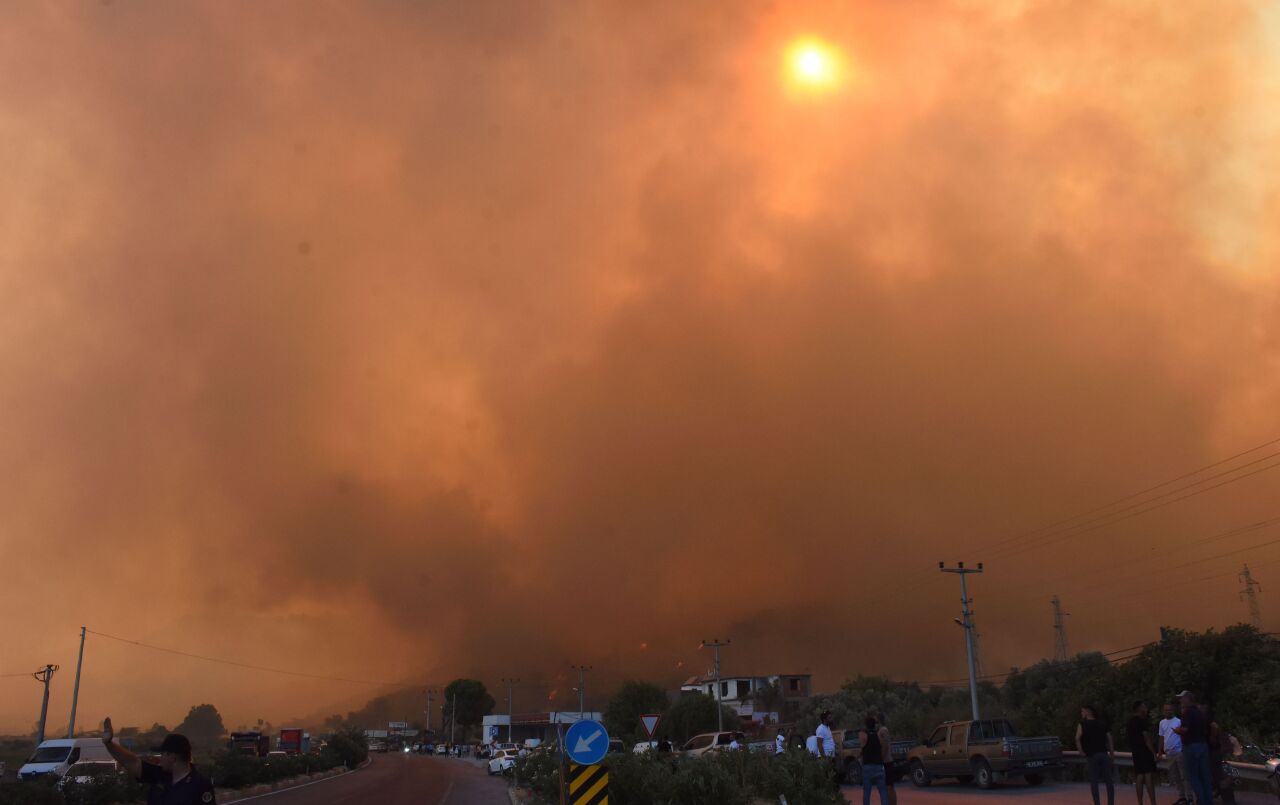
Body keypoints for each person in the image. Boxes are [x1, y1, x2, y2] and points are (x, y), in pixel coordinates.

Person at [100, 717, 216, 805]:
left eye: (162, 754)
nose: (160, 758)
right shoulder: (159, 775)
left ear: (173, 757)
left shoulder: (200, 785)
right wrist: (109, 743)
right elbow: (132, 762)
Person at [1173, 691, 1213, 805]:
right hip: (1203, 745)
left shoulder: (1187, 713)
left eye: (1181, 699)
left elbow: (1184, 729)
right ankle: (1208, 801)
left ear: (1187, 700)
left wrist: (1177, 731)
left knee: (1194, 776)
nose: (1180, 701)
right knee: (1205, 776)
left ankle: (1202, 801)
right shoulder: (1200, 712)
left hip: (1191, 747)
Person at [1077, 704, 1115, 805]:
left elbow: (1077, 737)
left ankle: (1097, 803)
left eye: (1082, 711)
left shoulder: (1083, 724)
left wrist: (1081, 751)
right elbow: (1110, 738)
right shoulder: (1102, 723)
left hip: (1092, 755)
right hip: (1103, 753)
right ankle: (1111, 803)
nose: (1081, 713)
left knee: (1094, 781)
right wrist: (1111, 753)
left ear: (1087, 711)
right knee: (1108, 780)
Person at [1127, 701, 1159, 805]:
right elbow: (1146, 738)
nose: (1146, 709)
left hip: (1135, 751)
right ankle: (1153, 802)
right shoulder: (1142, 721)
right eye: (1144, 707)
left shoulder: (1130, 722)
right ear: (1139, 709)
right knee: (1148, 775)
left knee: (1139, 775)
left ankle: (1140, 802)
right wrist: (1153, 753)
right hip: (1144, 751)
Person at [1159, 701, 1190, 805]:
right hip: (1169, 753)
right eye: (1166, 710)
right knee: (1176, 777)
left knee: (1184, 776)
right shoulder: (1162, 723)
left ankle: (1189, 797)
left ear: (1173, 710)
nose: (1168, 711)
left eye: (1170, 709)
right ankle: (1182, 797)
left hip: (1179, 752)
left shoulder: (1178, 721)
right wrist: (1160, 751)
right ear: (1163, 711)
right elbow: (1161, 737)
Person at [1204, 706, 1235, 805]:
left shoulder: (1207, 718)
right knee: (1218, 775)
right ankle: (1227, 798)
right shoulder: (1208, 717)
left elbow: (1215, 727)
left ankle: (1228, 799)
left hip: (1213, 751)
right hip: (1214, 751)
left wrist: (1212, 737)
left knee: (1218, 775)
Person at [859, 714, 892, 805]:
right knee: (883, 791)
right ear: (875, 724)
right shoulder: (879, 734)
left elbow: (861, 748)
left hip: (868, 766)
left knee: (867, 792)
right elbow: (885, 746)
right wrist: (881, 757)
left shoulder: (864, 735)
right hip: (878, 765)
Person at [878, 712, 899, 805]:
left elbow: (885, 745)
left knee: (889, 786)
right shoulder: (883, 730)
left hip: (886, 762)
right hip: (888, 761)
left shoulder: (882, 730)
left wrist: (881, 758)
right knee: (889, 786)